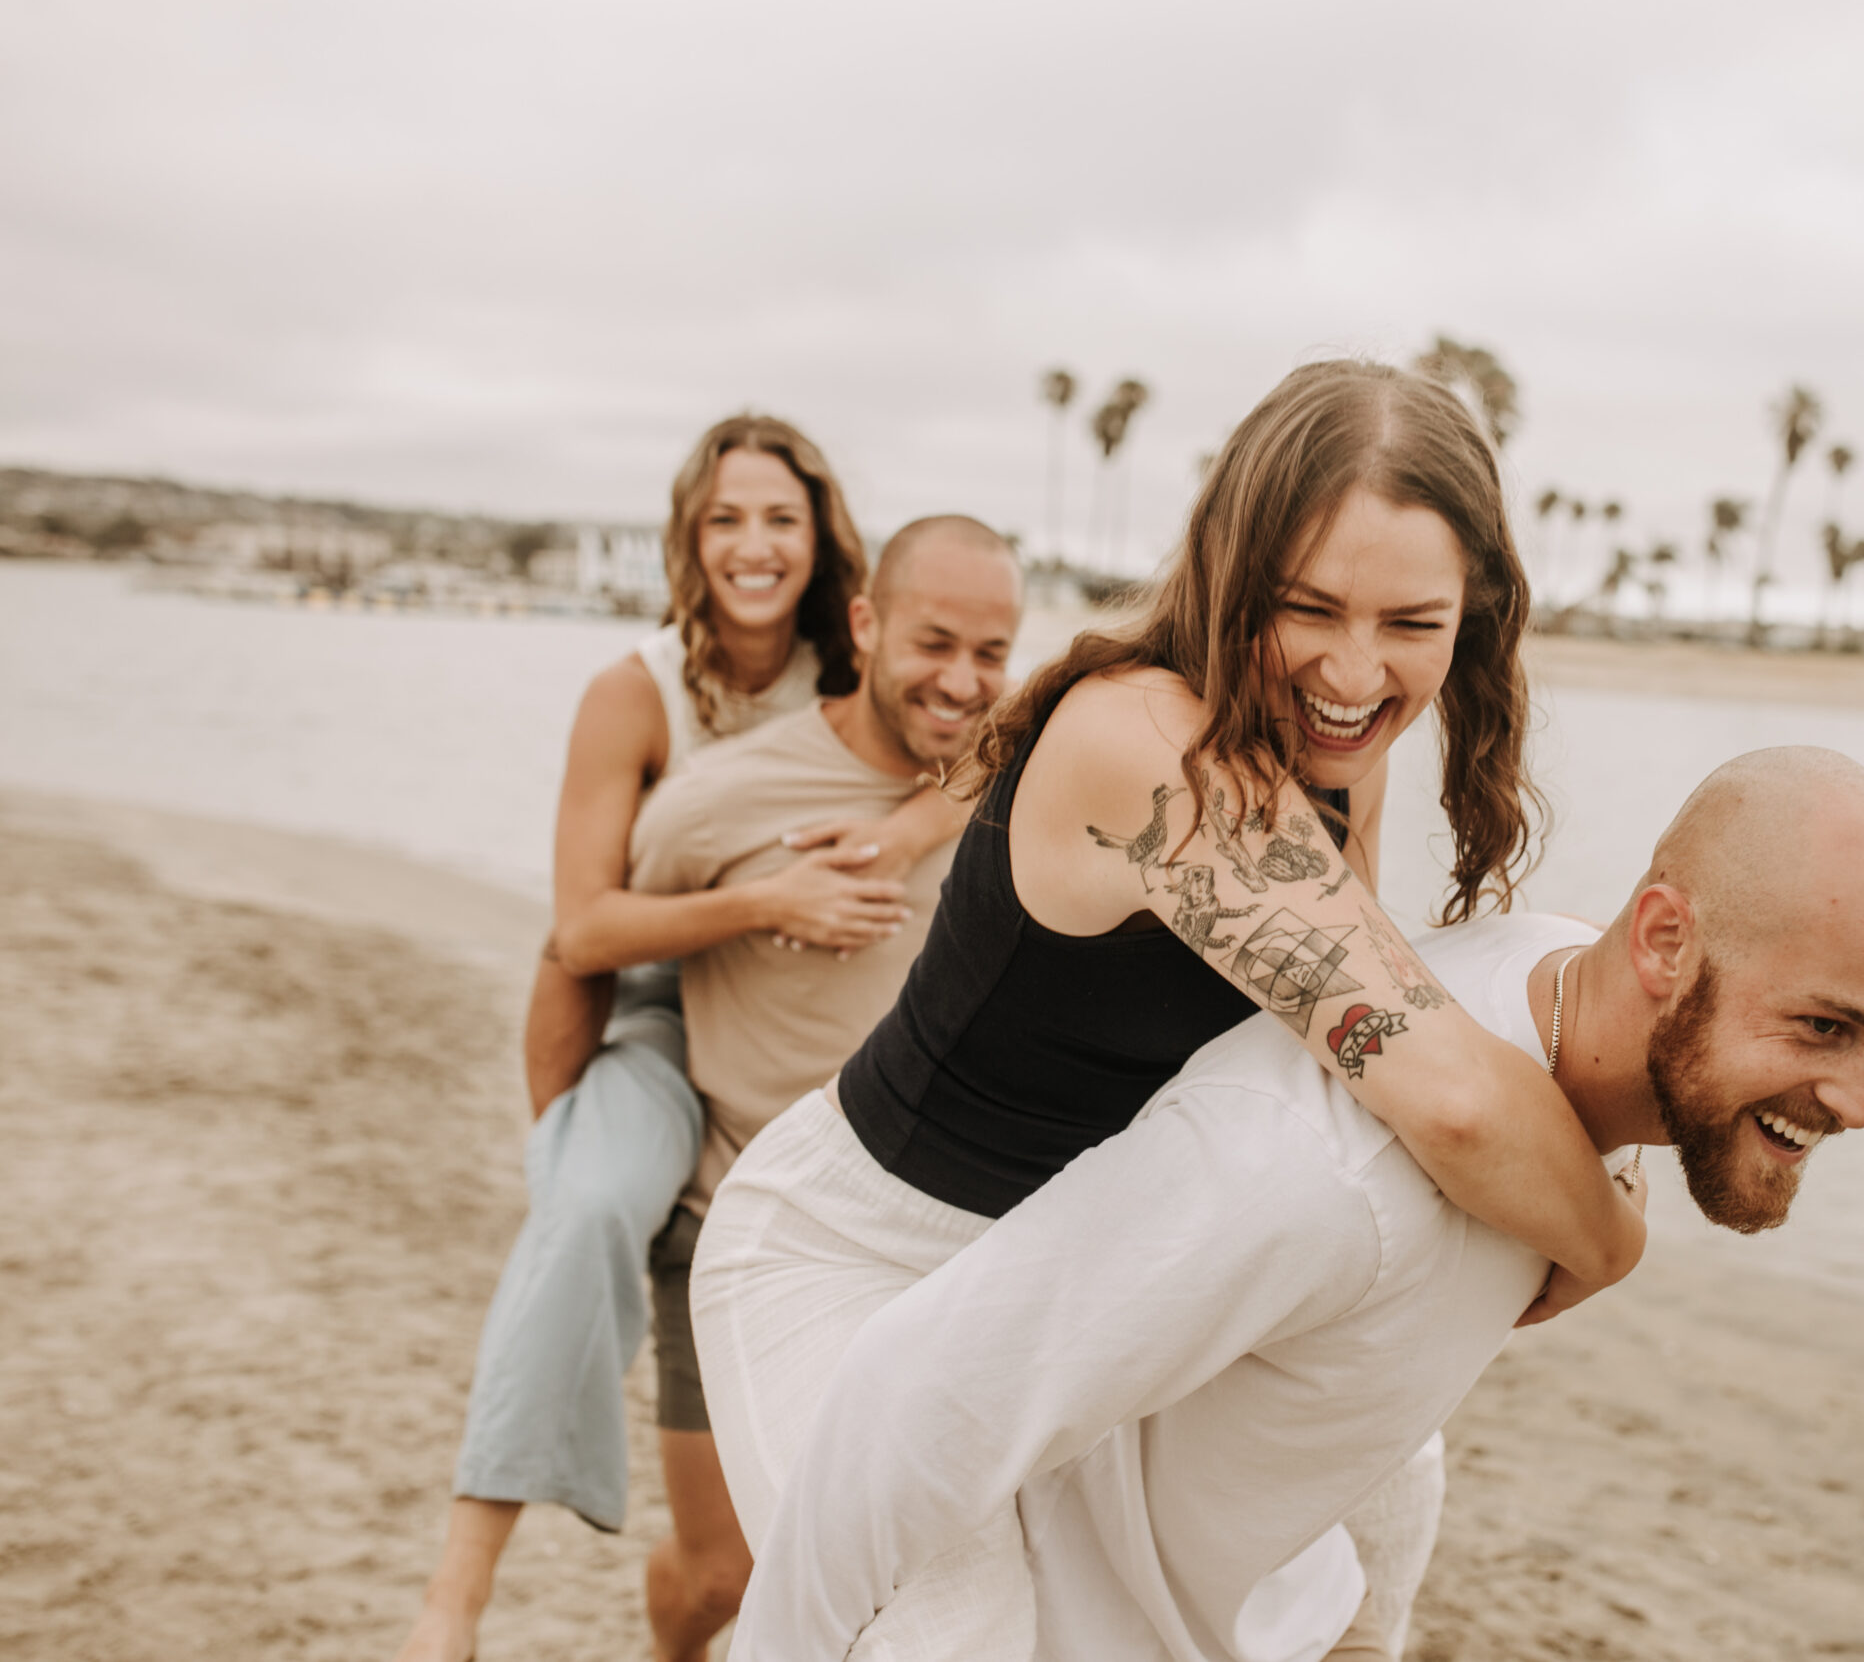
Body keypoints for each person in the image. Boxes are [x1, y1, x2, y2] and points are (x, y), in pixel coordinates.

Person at [692, 360, 1645, 1651]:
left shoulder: (1336, 766)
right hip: (858, 1256)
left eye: (1411, 623)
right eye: (1308, 607)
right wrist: (1608, 1238)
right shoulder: (1148, 745)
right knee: (954, 1626)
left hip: (1092, 1276)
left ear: (1473, 616)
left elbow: (1356, 1077)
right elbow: (1453, 1098)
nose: (1355, 673)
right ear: (1229, 570)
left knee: (1383, 1493)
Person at [732, 746, 1864, 1660]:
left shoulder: (1556, 976)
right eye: (1823, 1027)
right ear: (1662, 943)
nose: (1858, 1101)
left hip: (1259, 1604)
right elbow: (910, 1399)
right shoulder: (1312, 1175)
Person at [394, 418, 962, 1662]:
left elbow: (1000, 731)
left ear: (824, 547)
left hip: (817, 1045)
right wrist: (770, 900)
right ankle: (457, 1595)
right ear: (687, 540)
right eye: (725, 520)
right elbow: (584, 926)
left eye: (779, 519)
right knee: (592, 1202)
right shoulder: (635, 692)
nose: (753, 546)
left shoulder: (863, 672)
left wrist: (913, 836)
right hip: (659, 1000)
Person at [620, 514, 1024, 1658]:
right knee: (722, 1576)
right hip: (733, 1230)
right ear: (864, 623)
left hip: (937, 1244)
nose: (961, 682)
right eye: (933, 643)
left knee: (901, 1577)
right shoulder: (719, 797)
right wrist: (581, 1161)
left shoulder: (1019, 783)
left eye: (990, 655)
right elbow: (603, 944)